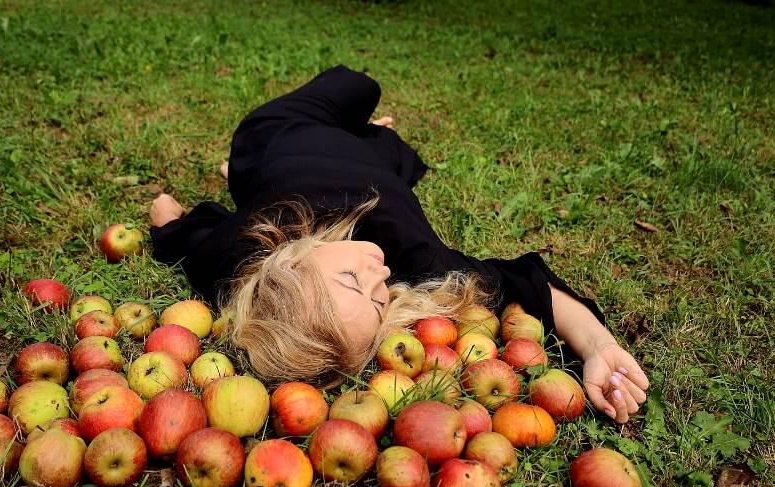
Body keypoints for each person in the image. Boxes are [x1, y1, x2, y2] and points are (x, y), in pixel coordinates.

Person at [149, 65, 648, 423]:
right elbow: (523, 279)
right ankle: (358, 141)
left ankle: (253, 166)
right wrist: (598, 345)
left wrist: (165, 209)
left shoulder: (231, 258)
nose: (379, 272)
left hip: (277, 133)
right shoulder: (412, 258)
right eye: (378, 300)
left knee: (359, 85)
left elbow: (180, 233)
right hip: (368, 168)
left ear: (291, 262)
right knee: (386, 150)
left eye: (350, 280)